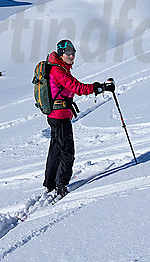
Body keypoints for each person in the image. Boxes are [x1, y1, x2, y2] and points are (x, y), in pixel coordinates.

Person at [44, 39, 114, 197]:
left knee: (56, 150)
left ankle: (50, 183)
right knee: (67, 152)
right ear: (61, 54)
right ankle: (61, 185)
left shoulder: (60, 68)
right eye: (68, 53)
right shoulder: (58, 71)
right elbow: (77, 87)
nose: (72, 56)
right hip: (60, 116)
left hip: (56, 115)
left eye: (73, 53)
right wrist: (100, 87)